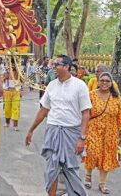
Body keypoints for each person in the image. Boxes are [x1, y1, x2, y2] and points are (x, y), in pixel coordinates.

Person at [25, 54, 91, 196]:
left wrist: (82, 138)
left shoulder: (80, 86)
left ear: (67, 67)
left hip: (71, 133)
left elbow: (86, 113)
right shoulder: (51, 85)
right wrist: (31, 130)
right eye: (53, 64)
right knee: (51, 168)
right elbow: (44, 109)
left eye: (56, 65)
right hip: (53, 130)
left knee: (70, 169)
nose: (53, 67)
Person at [83, 72, 121, 194]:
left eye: (107, 81)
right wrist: (82, 131)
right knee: (91, 153)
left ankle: (102, 183)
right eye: (102, 80)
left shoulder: (116, 97)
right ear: (98, 81)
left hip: (110, 133)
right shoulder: (91, 95)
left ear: (111, 83)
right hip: (93, 130)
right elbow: (85, 114)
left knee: (107, 156)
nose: (104, 83)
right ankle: (88, 176)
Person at [3, 57, 21, 131]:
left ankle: (15, 125)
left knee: (15, 108)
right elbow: (2, 80)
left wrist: (18, 73)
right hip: (7, 92)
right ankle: (7, 123)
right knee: (7, 108)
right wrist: (6, 75)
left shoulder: (19, 72)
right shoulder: (6, 71)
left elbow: (23, 81)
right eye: (11, 64)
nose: (13, 65)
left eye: (14, 64)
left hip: (16, 92)